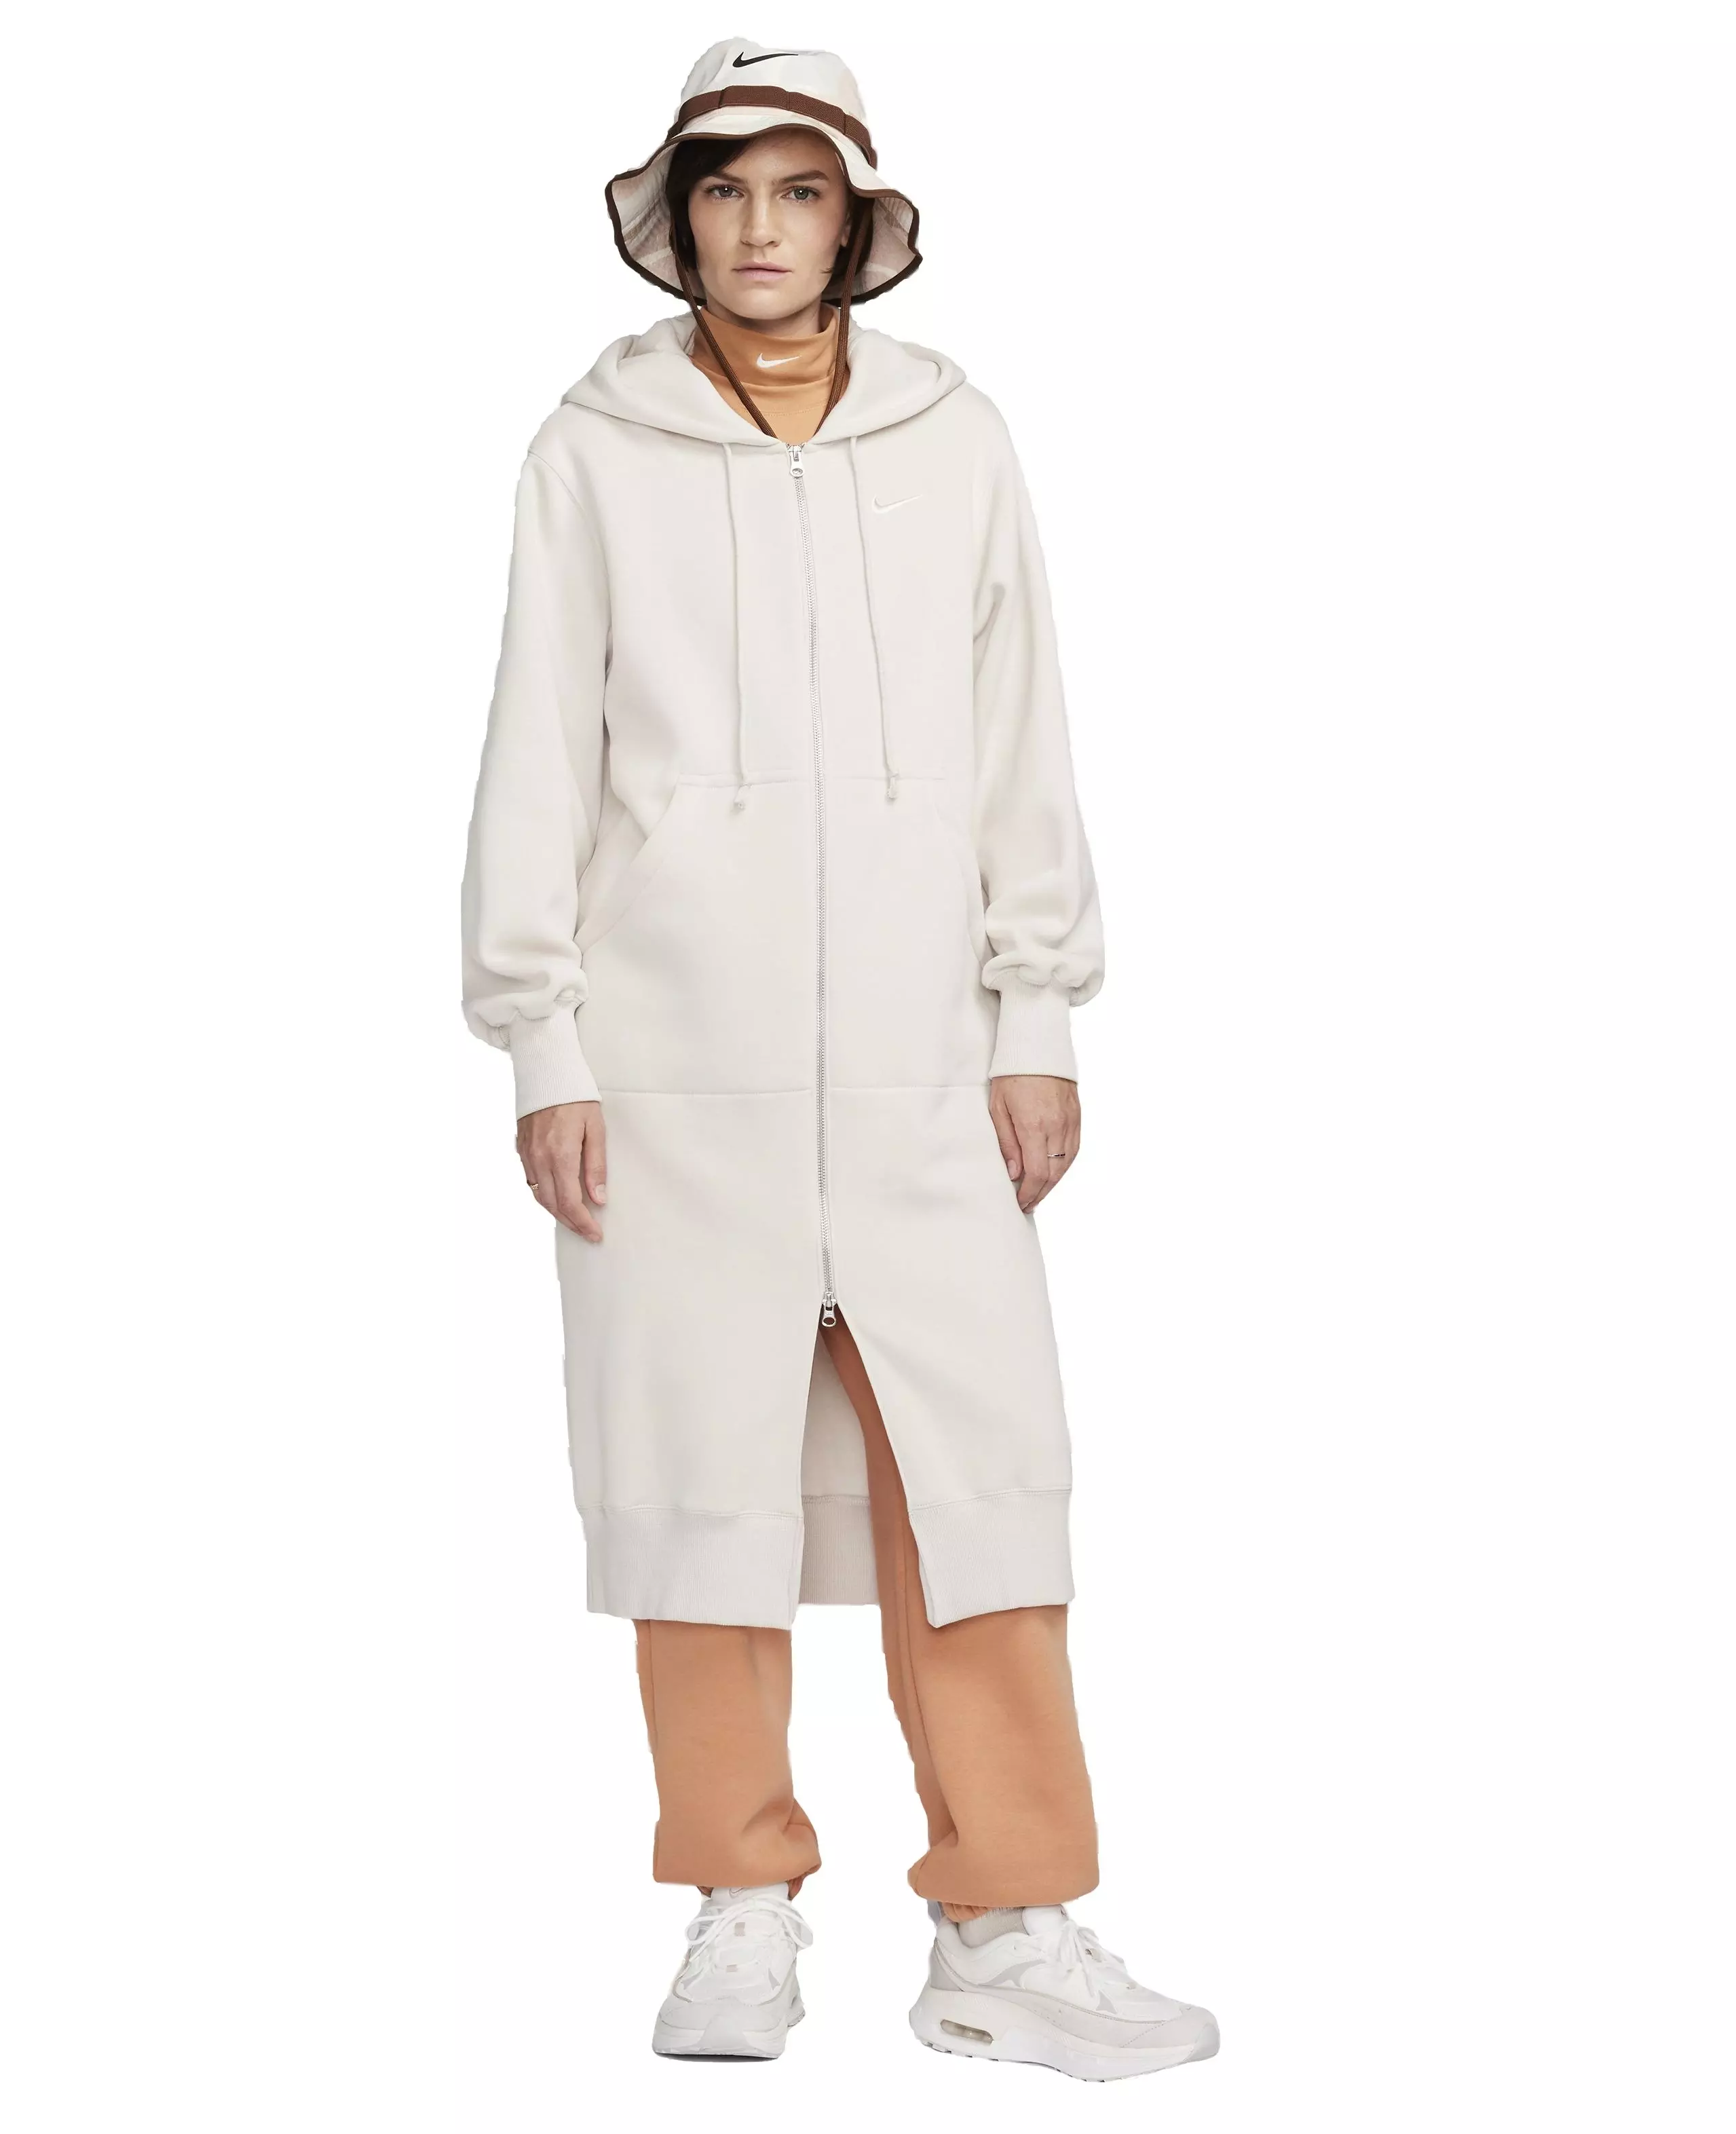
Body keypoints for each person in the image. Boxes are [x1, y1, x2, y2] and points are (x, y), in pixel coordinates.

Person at [459, 39, 1217, 2082]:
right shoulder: (590, 452)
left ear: (859, 219)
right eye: (725, 188)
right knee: (695, 1482)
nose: (760, 227)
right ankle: (738, 1905)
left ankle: (1010, 1923)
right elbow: (536, 746)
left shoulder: (956, 439)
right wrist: (543, 1041)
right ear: (675, 214)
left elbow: (1021, 730)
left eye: (799, 190)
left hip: (926, 1065)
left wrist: (1037, 1011)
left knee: (979, 1484)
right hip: (666, 1065)